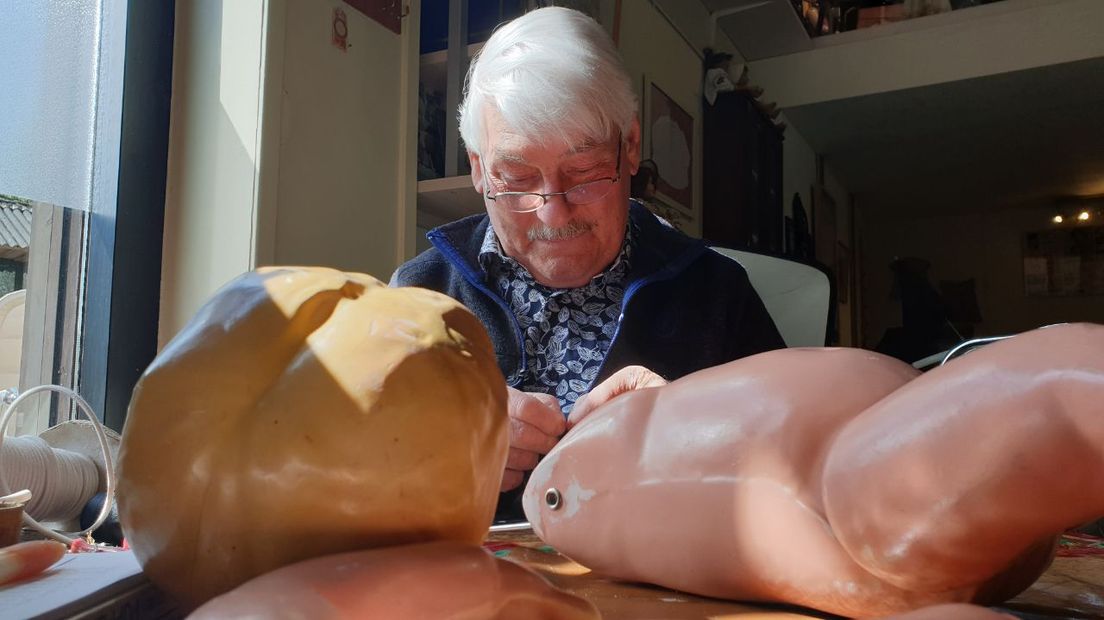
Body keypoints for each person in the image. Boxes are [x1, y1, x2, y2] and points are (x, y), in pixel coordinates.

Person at [390, 7, 784, 519]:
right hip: (466, 589)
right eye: (518, 178)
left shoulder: (715, 293)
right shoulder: (418, 296)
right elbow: (339, 474)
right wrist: (429, 451)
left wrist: (692, 433)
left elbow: (799, 458)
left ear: (631, 147)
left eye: (584, 170)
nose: (553, 211)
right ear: (479, 169)